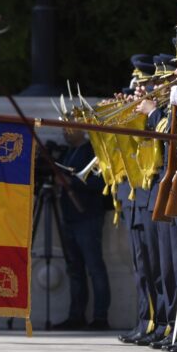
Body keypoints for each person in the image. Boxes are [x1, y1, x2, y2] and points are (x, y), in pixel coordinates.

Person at [51, 129, 111, 330]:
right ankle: (76, 315)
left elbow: (100, 181)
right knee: (74, 269)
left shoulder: (91, 150)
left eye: (70, 127)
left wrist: (72, 182)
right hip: (69, 215)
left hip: (88, 215)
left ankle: (101, 317)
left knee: (95, 268)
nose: (66, 132)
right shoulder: (68, 152)